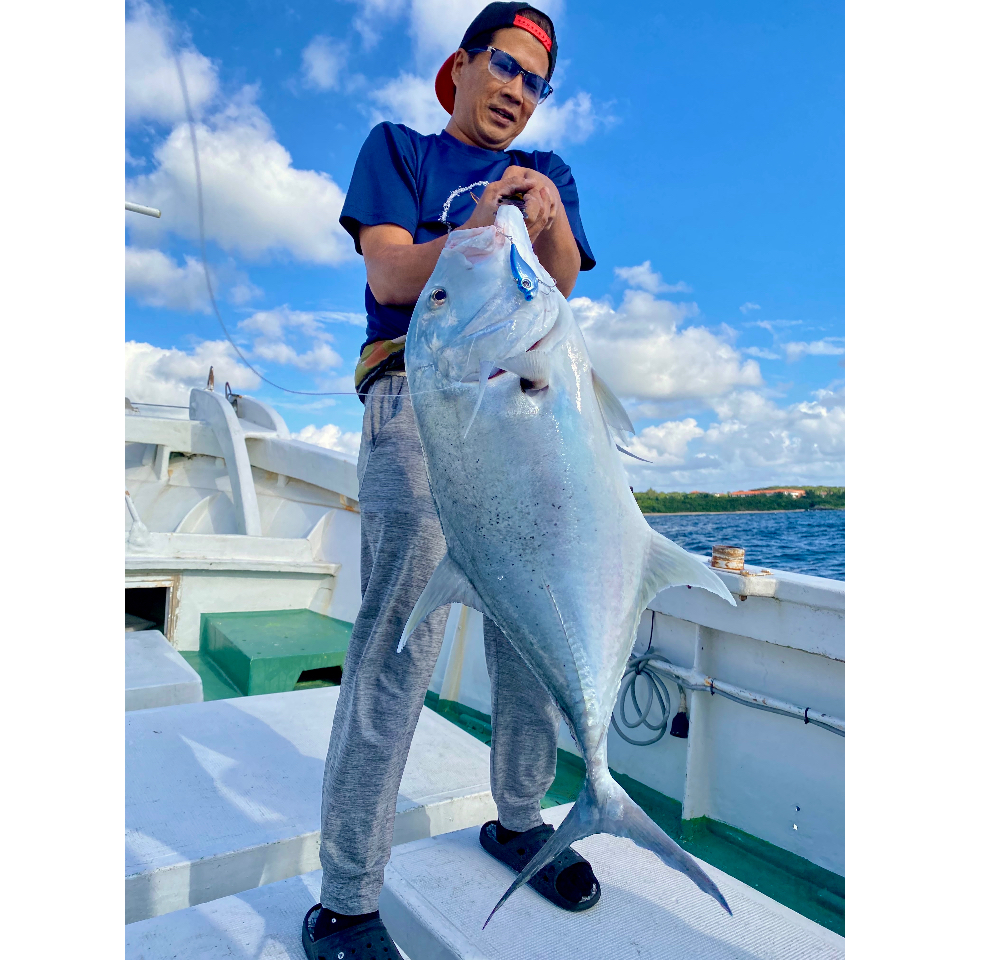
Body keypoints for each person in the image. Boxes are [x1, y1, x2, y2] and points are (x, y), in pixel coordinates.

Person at [303, 5, 600, 956]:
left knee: (531, 631)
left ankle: (520, 819)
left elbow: (561, 283)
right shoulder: (400, 150)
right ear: (460, 66)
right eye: (503, 66)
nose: (517, 90)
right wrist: (479, 225)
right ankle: (347, 897)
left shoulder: (549, 172)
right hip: (416, 400)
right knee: (400, 637)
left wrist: (544, 218)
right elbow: (392, 278)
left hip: (522, 409)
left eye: (535, 82)